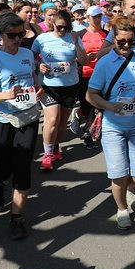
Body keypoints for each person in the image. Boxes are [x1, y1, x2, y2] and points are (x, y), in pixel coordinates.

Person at [87, 16, 135, 230]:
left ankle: (130, 188)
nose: (126, 46)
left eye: (130, 41)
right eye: (121, 41)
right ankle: (121, 209)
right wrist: (108, 106)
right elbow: (91, 95)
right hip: (113, 126)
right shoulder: (105, 62)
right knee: (118, 172)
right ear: (113, 39)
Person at [0, 12, 41, 240]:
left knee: (23, 166)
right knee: (3, 166)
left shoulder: (26, 53)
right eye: (12, 35)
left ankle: (17, 219)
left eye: (21, 34)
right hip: (2, 119)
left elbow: (33, 80)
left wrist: (38, 89)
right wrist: (6, 95)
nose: (17, 39)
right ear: (1, 35)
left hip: (28, 118)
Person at [33, 9, 87, 170]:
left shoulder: (73, 38)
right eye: (59, 27)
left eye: (65, 27)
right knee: (52, 119)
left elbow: (83, 61)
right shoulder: (42, 39)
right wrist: (39, 65)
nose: (62, 30)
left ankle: (55, 146)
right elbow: (32, 56)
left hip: (70, 85)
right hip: (49, 86)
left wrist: (77, 43)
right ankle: (47, 154)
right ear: (52, 24)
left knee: (62, 122)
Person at [74, 6, 107, 145]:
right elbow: (74, 54)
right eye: (94, 17)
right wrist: (83, 58)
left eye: (100, 16)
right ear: (88, 18)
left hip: (103, 75)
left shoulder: (107, 34)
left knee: (98, 106)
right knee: (86, 106)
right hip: (85, 74)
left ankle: (89, 134)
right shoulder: (80, 34)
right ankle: (78, 113)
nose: (98, 19)